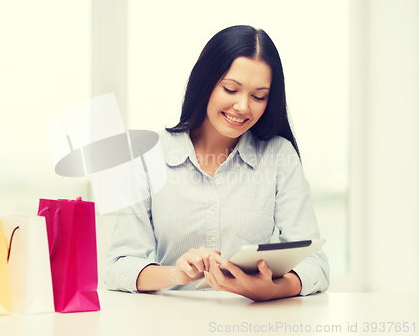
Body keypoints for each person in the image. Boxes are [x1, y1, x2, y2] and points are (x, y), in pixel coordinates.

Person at [104, 25, 329, 301]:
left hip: (252, 324)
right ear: (206, 82)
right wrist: (175, 274)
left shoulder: (279, 156)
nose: (243, 106)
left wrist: (271, 290)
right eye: (231, 89)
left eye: (259, 96)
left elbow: (316, 264)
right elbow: (119, 266)